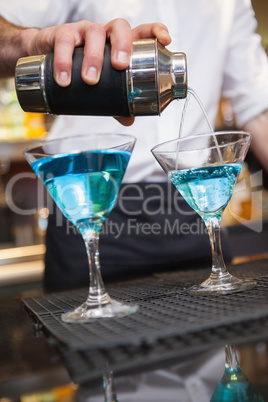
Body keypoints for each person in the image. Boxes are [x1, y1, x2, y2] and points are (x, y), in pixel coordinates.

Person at [0, 2, 267, 400]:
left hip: (189, 212)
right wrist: (27, 40)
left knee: (220, 359)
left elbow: (258, 107)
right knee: (96, 372)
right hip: (89, 194)